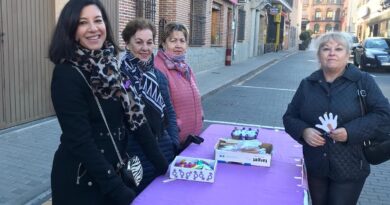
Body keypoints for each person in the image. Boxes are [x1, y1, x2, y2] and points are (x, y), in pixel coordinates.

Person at [48, 1, 168, 204]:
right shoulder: (66, 74)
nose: (93, 28)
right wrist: (116, 188)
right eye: (83, 22)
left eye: (98, 20)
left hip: (113, 175)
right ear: (71, 29)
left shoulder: (111, 68)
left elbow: (138, 122)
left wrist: (166, 166)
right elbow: (81, 141)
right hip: (81, 183)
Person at [283, 32, 390, 205]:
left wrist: (350, 132)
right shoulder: (307, 84)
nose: (332, 52)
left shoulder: (363, 81)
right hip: (316, 164)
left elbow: (384, 115)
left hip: (351, 165)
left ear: (348, 55)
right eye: (326, 49)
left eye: (338, 49)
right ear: (319, 55)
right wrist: (304, 131)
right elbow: (289, 117)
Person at [120, 18, 179, 192]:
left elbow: (170, 112)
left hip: (164, 153)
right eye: (139, 42)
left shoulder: (159, 76)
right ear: (127, 44)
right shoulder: (120, 77)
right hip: (137, 158)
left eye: (149, 42)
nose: (145, 48)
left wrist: (174, 142)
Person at [154, 22, 203, 150]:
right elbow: (161, 110)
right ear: (164, 44)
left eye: (182, 40)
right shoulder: (159, 68)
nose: (178, 45)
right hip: (174, 143)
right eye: (173, 40)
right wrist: (176, 128)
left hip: (191, 140)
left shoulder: (186, 68)